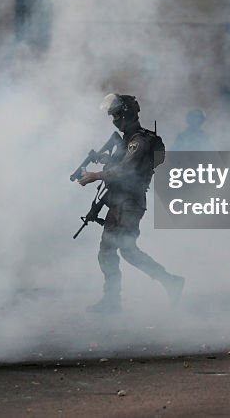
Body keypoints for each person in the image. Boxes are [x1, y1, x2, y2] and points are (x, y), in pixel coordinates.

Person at [77, 93, 185, 313]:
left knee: (123, 250)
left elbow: (127, 170)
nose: (114, 120)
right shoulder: (129, 141)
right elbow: (123, 165)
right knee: (112, 250)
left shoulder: (139, 141)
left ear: (126, 115)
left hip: (129, 202)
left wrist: (96, 175)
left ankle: (168, 282)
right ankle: (114, 300)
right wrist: (106, 160)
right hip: (121, 201)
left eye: (116, 115)